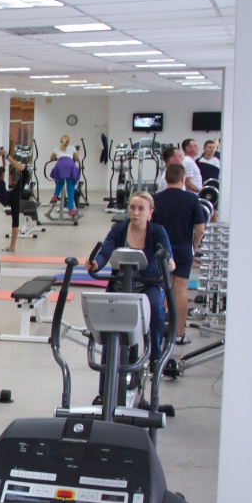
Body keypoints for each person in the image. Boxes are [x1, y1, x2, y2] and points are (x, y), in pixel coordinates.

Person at [87, 191, 174, 376]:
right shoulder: (119, 229)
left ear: (150, 212)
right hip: (120, 284)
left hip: (148, 283)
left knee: (155, 307)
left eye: (141, 209)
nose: (135, 212)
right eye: (132, 207)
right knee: (109, 327)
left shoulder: (157, 232)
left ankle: (155, 356)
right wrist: (95, 264)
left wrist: (168, 263)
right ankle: (104, 387)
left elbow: (167, 256)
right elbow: (105, 252)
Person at [151, 164, 207, 345]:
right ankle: (179, 334)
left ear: (166, 178)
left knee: (160, 290)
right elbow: (200, 228)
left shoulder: (156, 199)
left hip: (160, 252)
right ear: (183, 179)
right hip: (183, 251)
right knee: (180, 291)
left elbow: (149, 227)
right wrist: (194, 246)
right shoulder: (191, 199)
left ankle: (156, 332)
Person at [0, 148, 29, 253]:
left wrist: (0, 156)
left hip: (13, 198)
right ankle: (12, 246)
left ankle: (12, 246)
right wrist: (0, 156)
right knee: (25, 173)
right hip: (13, 196)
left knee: (15, 223)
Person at [48, 134, 80, 217]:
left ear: (60, 141)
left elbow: (51, 158)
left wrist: (58, 157)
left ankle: (55, 196)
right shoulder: (72, 147)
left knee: (60, 181)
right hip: (70, 166)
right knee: (70, 189)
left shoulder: (56, 148)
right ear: (68, 141)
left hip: (60, 165)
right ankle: (71, 210)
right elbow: (77, 158)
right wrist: (75, 153)